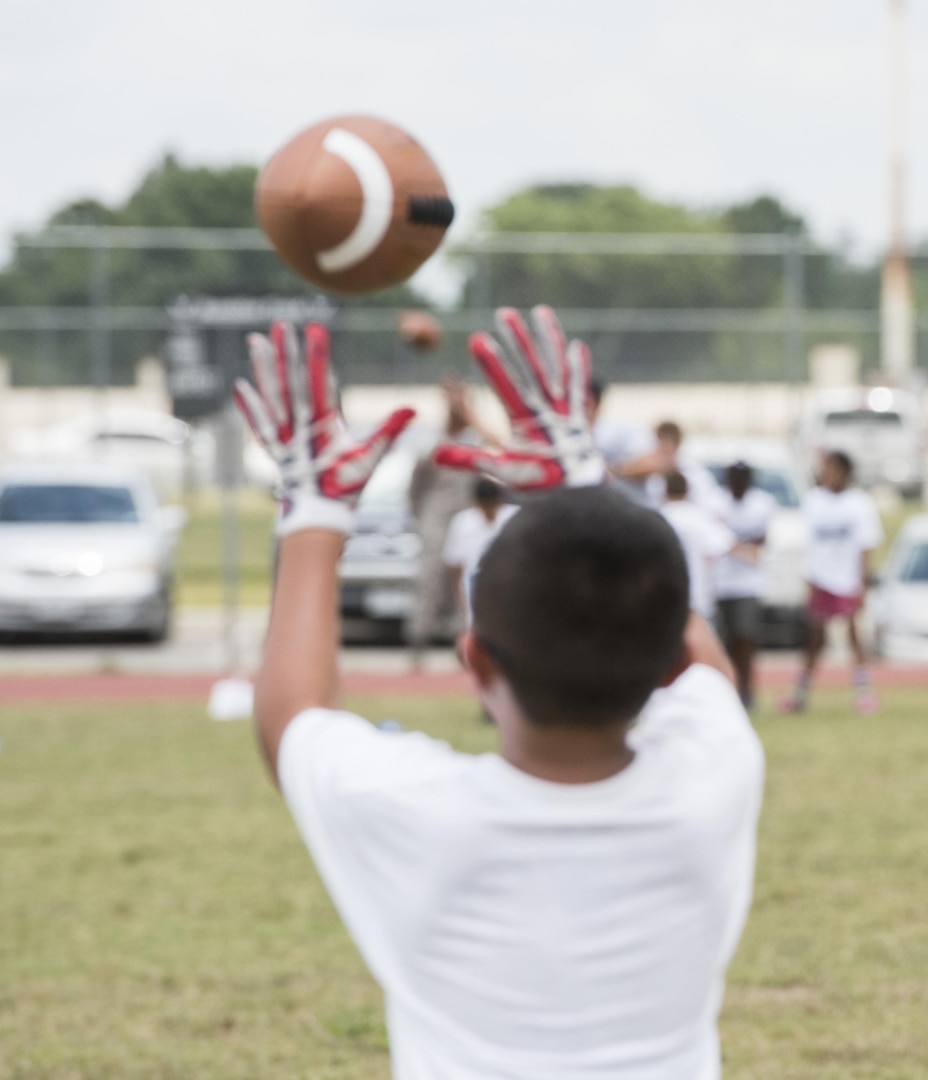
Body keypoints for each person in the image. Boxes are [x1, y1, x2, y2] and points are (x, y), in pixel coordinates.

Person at [235, 308, 764, 1080]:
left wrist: (313, 510)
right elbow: (703, 665)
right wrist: (586, 483)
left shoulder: (416, 808)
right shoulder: (714, 775)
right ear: (662, 670)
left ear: (475, 661)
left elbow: (291, 716)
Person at [781, 450, 882, 716]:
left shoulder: (859, 503)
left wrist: (862, 582)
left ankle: (864, 694)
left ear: (845, 472)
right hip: (821, 578)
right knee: (814, 639)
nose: (826, 474)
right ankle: (800, 694)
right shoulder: (814, 501)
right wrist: (809, 580)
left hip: (847, 580)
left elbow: (866, 545)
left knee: (854, 636)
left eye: (832, 469)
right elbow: (808, 544)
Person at [407, 380, 491, 664]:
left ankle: (465, 643)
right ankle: (419, 642)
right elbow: (415, 488)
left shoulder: (477, 442)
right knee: (430, 580)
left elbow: (497, 454)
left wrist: (470, 415)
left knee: (468, 582)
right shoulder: (432, 443)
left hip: (468, 520)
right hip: (437, 519)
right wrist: (422, 517)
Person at [712, 461, 777, 710]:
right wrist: (742, 548)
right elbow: (718, 539)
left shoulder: (761, 503)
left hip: (749, 584)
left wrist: (734, 545)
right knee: (725, 641)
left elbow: (761, 542)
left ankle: (747, 692)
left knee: (746, 638)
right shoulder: (716, 500)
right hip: (721, 583)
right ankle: (728, 692)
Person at [659, 469, 736, 626]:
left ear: (665, 491)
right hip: (698, 600)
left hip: (664, 600)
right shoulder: (700, 519)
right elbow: (724, 545)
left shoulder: (656, 518)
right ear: (688, 491)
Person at [441, 475, 518, 619]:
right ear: (477, 503)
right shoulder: (463, 522)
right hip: (475, 581)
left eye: (492, 505)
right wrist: (461, 602)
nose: (488, 511)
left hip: (508, 581)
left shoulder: (513, 517)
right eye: (484, 506)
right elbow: (455, 565)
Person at [584, 376, 659, 505]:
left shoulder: (621, 429)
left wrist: (611, 470)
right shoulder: (563, 434)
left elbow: (651, 464)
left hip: (631, 511)